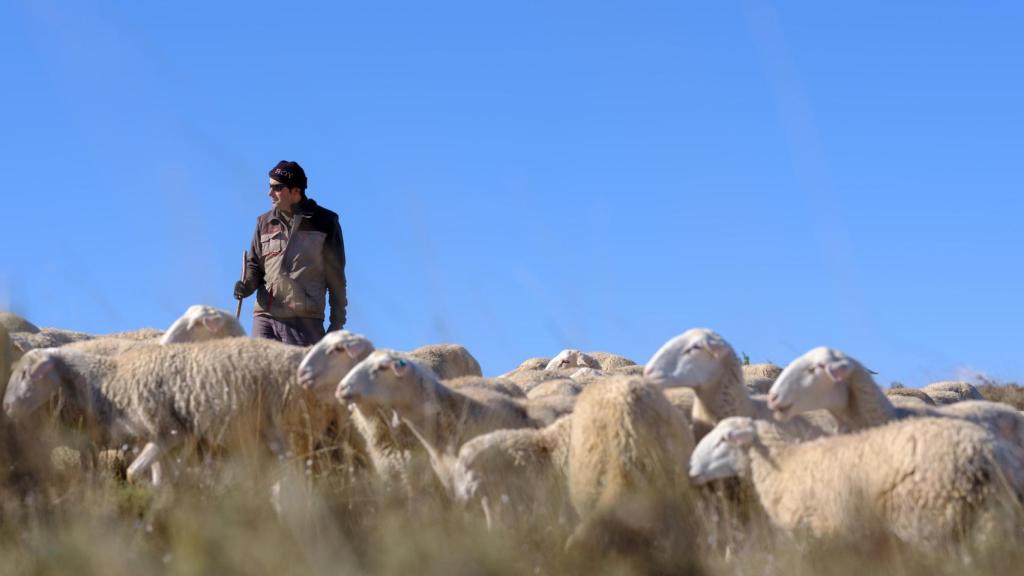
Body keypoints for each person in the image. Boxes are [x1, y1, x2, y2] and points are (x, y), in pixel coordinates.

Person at [233, 160, 347, 345]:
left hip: (304, 321)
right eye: (269, 187)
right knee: (258, 373)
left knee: (297, 374)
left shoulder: (326, 222)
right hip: (265, 317)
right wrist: (247, 285)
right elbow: (255, 265)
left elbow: (336, 278)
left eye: (277, 187)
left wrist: (336, 326)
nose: (270, 193)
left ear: (296, 191)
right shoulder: (263, 222)